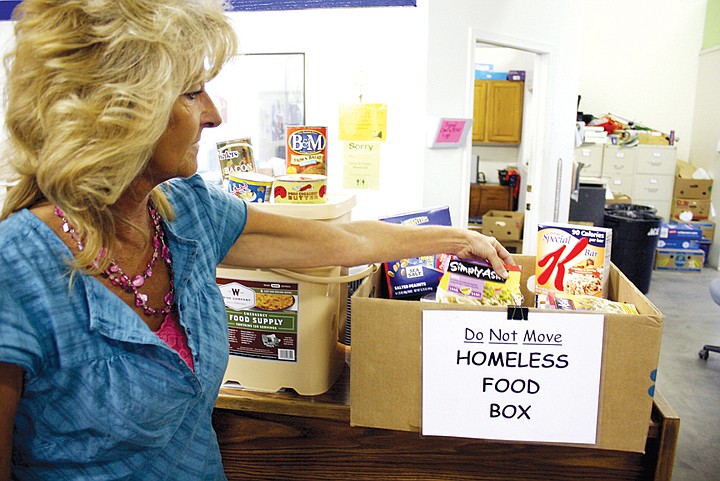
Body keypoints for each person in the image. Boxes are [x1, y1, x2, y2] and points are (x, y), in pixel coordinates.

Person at [0, 0, 514, 479]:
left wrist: (454, 238)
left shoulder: (188, 214)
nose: (214, 114)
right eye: (191, 92)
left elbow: (340, 240)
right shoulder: (17, 270)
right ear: (119, 112)